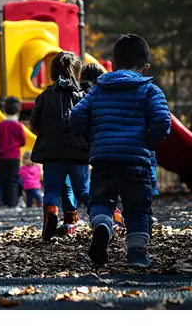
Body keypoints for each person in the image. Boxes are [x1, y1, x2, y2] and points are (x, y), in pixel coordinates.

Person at [71, 34, 171, 267]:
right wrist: (148, 142)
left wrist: (91, 139)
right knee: (137, 208)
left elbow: (77, 115)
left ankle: (103, 226)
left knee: (101, 201)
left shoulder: (98, 89)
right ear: (145, 67)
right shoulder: (150, 91)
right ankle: (136, 254)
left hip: (104, 159)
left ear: (113, 65)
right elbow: (162, 121)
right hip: (136, 161)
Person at [30, 52, 90, 241]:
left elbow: (35, 122)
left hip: (52, 152)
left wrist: (47, 133)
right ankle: (104, 216)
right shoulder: (83, 96)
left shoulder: (44, 96)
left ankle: (50, 213)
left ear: (52, 73)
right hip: (78, 152)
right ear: (77, 73)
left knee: (52, 190)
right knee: (83, 189)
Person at [0, 96, 26, 207]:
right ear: (18, 111)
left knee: (3, 180)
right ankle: (13, 203)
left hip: (2, 157)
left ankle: (6, 202)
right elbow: (23, 141)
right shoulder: (18, 126)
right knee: (13, 180)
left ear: (4, 110)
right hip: (14, 157)